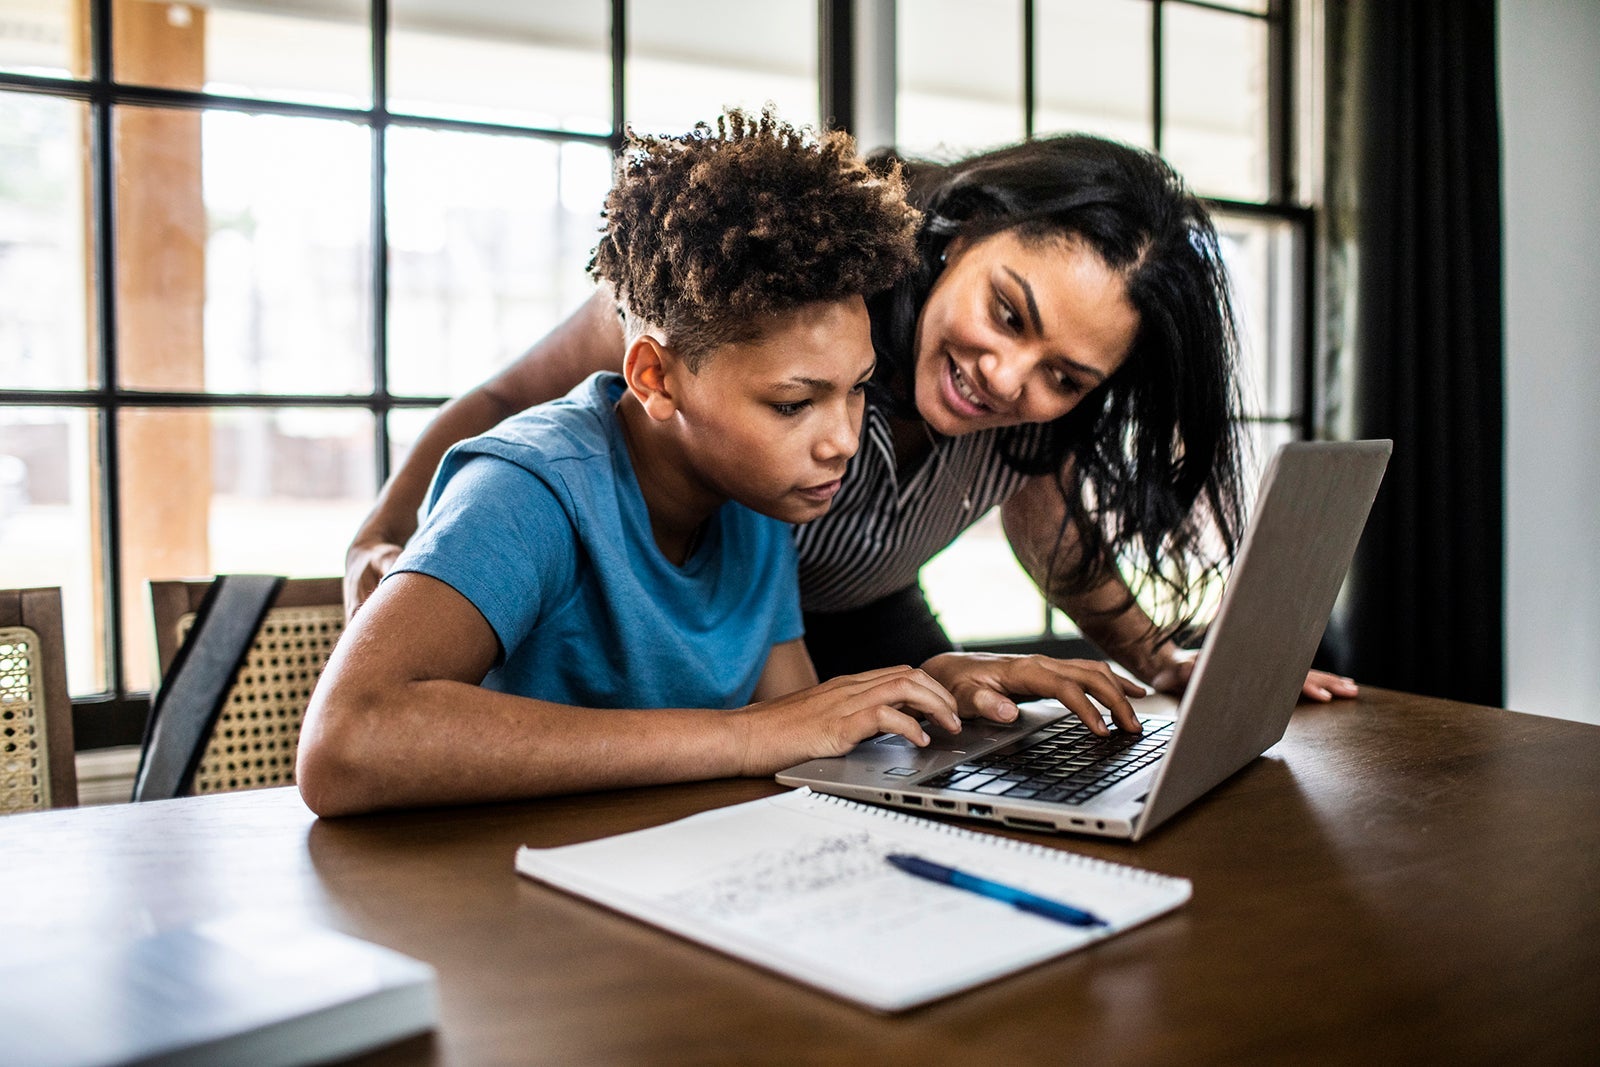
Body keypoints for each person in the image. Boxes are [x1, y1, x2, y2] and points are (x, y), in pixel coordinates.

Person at [298, 110, 1147, 817]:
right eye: (793, 403)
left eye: (857, 393)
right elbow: (346, 740)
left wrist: (932, 686)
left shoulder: (756, 501)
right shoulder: (527, 489)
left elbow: (799, 719)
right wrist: (742, 737)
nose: (845, 442)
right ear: (655, 377)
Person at [344, 130, 1357, 716]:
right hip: (710, 602)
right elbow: (503, 406)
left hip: (829, 605)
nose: (1005, 379)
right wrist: (382, 533)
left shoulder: (1016, 422)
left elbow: (1053, 532)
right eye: (1006, 312)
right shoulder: (771, 293)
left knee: (930, 741)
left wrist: (1163, 658)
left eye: (1064, 375)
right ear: (959, 232)